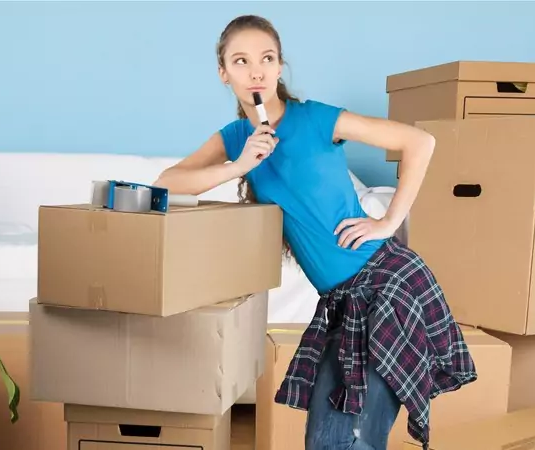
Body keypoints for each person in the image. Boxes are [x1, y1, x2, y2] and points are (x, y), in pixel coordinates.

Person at [154, 14, 477, 450]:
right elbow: (164, 183)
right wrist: (240, 165)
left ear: (279, 66)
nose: (256, 71)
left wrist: (388, 222)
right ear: (224, 73)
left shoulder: (317, 119)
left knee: (351, 440)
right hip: (342, 302)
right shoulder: (234, 139)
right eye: (241, 61)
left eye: (267, 58)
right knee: (325, 440)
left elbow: (420, 143)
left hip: (387, 285)